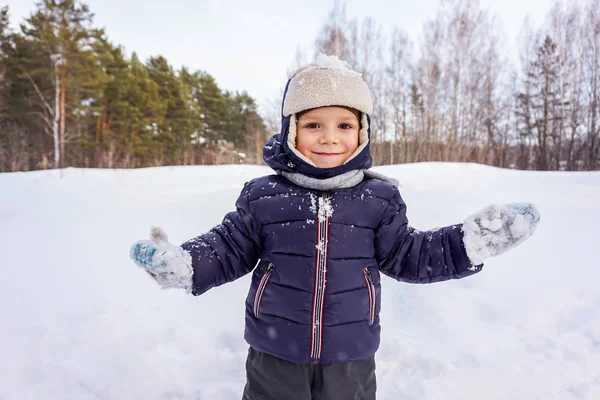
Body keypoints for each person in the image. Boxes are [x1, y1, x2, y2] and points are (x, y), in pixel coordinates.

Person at [130, 54, 540, 400]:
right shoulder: (264, 195)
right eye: (313, 125)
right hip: (275, 351)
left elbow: (408, 254)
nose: (329, 138)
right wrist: (184, 263)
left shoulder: (378, 198)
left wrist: (467, 245)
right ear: (291, 130)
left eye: (344, 125)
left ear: (362, 133)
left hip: (351, 353)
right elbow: (229, 247)